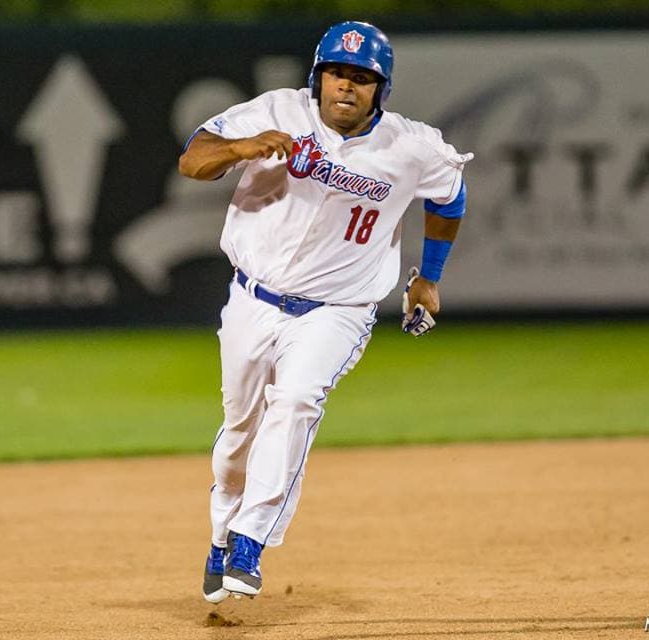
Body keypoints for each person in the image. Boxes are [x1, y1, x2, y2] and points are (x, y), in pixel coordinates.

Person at [178, 20, 472, 603]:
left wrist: (428, 279)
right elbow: (194, 160)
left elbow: (450, 195)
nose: (348, 86)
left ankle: (249, 543)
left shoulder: (411, 146)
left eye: (363, 78)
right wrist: (243, 147)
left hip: (337, 310)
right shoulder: (279, 111)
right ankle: (220, 535)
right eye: (339, 72)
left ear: (380, 90)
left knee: (295, 401)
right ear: (319, 76)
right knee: (239, 431)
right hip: (251, 300)